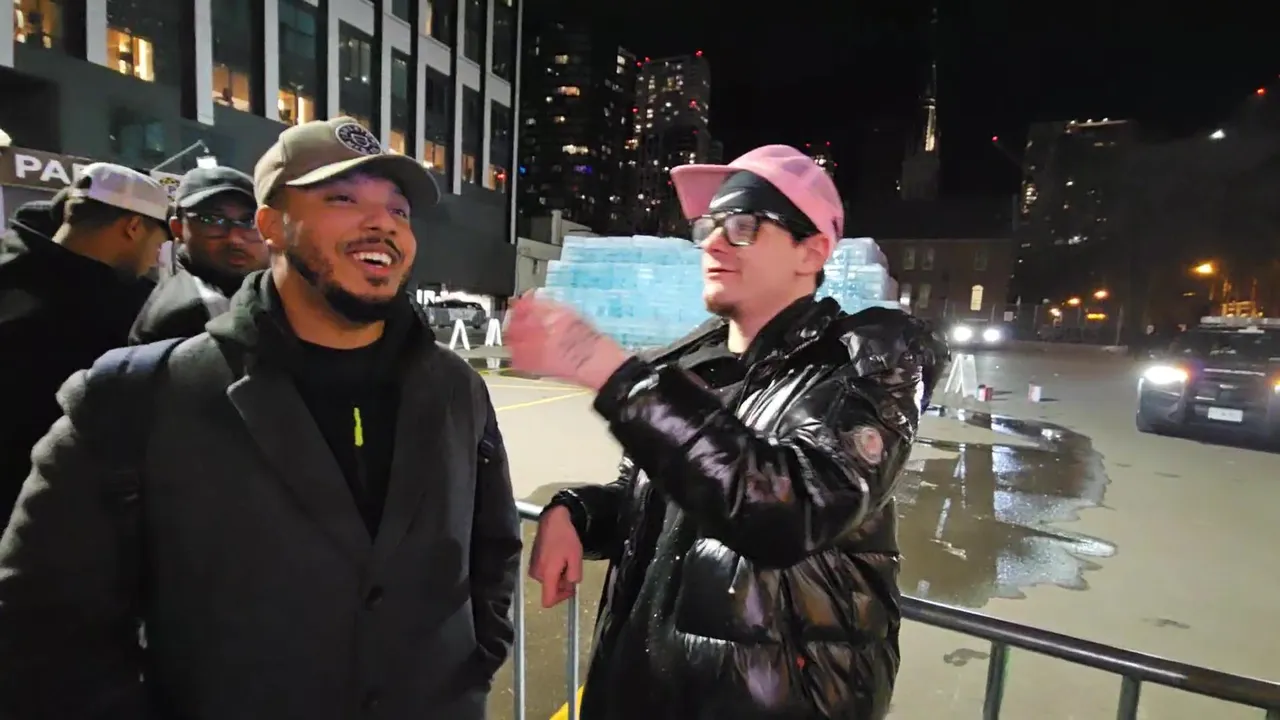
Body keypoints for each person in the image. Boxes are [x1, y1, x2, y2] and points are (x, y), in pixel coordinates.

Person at [0, 117, 521, 718]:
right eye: (342, 199)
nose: (382, 223)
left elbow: (493, 544)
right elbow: (44, 626)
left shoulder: (456, 388)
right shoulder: (135, 395)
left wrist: (475, 664)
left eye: (398, 210)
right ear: (271, 224)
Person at [513, 145, 945, 720]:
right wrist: (577, 513)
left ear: (812, 250)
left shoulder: (863, 363)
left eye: (743, 226)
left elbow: (789, 509)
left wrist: (614, 375)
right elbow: (667, 508)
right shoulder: (694, 368)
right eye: (709, 227)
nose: (714, 243)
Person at [0, 165, 168, 524]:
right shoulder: (122, 308)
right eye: (158, 243)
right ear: (133, 227)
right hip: (54, 512)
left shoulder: (12, 269)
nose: (157, 257)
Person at [130, 166, 267, 343]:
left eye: (249, 221)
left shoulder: (231, 289)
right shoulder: (192, 314)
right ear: (178, 228)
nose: (234, 238)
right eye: (211, 220)